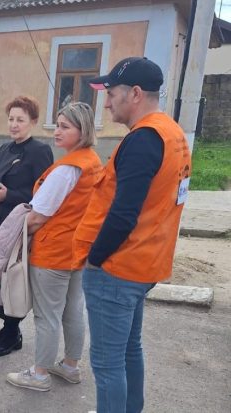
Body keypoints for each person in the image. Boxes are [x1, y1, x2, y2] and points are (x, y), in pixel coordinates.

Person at [72, 57, 191, 412]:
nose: (107, 103)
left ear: (135, 93)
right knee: (128, 350)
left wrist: (95, 259)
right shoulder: (171, 133)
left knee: (107, 363)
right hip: (145, 262)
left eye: (111, 94)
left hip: (118, 268)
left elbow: (123, 215)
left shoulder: (143, 140)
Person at [5, 102, 102, 392]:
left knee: (46, 316)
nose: (57, 131)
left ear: (82, 131)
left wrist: (18, 234)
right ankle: (70, 366)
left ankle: (39, 375)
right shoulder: (92, 162)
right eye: (57, 125)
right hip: (78, 250)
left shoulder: (66, 170)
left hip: (52, 253)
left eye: (64, 127)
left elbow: (38, 216)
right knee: (72, 310)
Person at [0, 96, 53, 357]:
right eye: (11, 119)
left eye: (20, 120)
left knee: (12, 278)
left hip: (20, 226)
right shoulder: (5, 148)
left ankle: (13, 333)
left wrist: (8, 195)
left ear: (33, 121)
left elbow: (43, 194)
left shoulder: (40, 151)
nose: (14, 124)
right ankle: (6, 328)